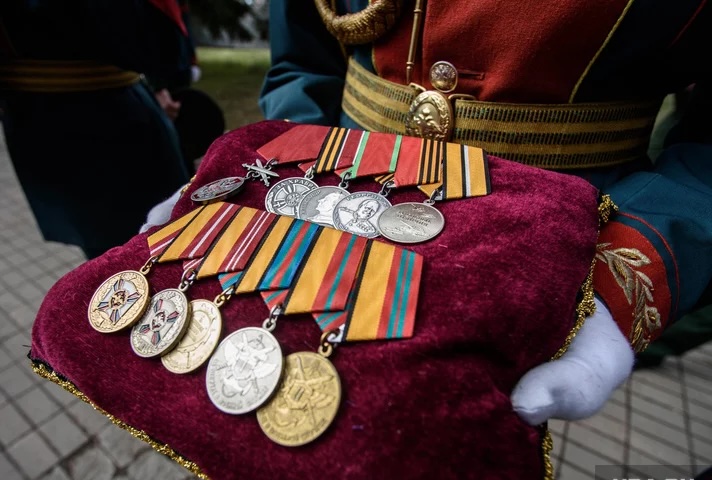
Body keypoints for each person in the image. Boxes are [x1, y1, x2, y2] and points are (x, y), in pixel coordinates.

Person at [257, 1, 712, 425]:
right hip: (333, 195)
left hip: (542, 248)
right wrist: (292, 168)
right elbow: (304, 56)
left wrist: (620, 280)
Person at [0, 0, 195, 259]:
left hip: (117, 130)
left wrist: (162, 83)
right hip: (40, 133)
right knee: (111, 259)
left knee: (168, 245)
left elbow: (162, 43)